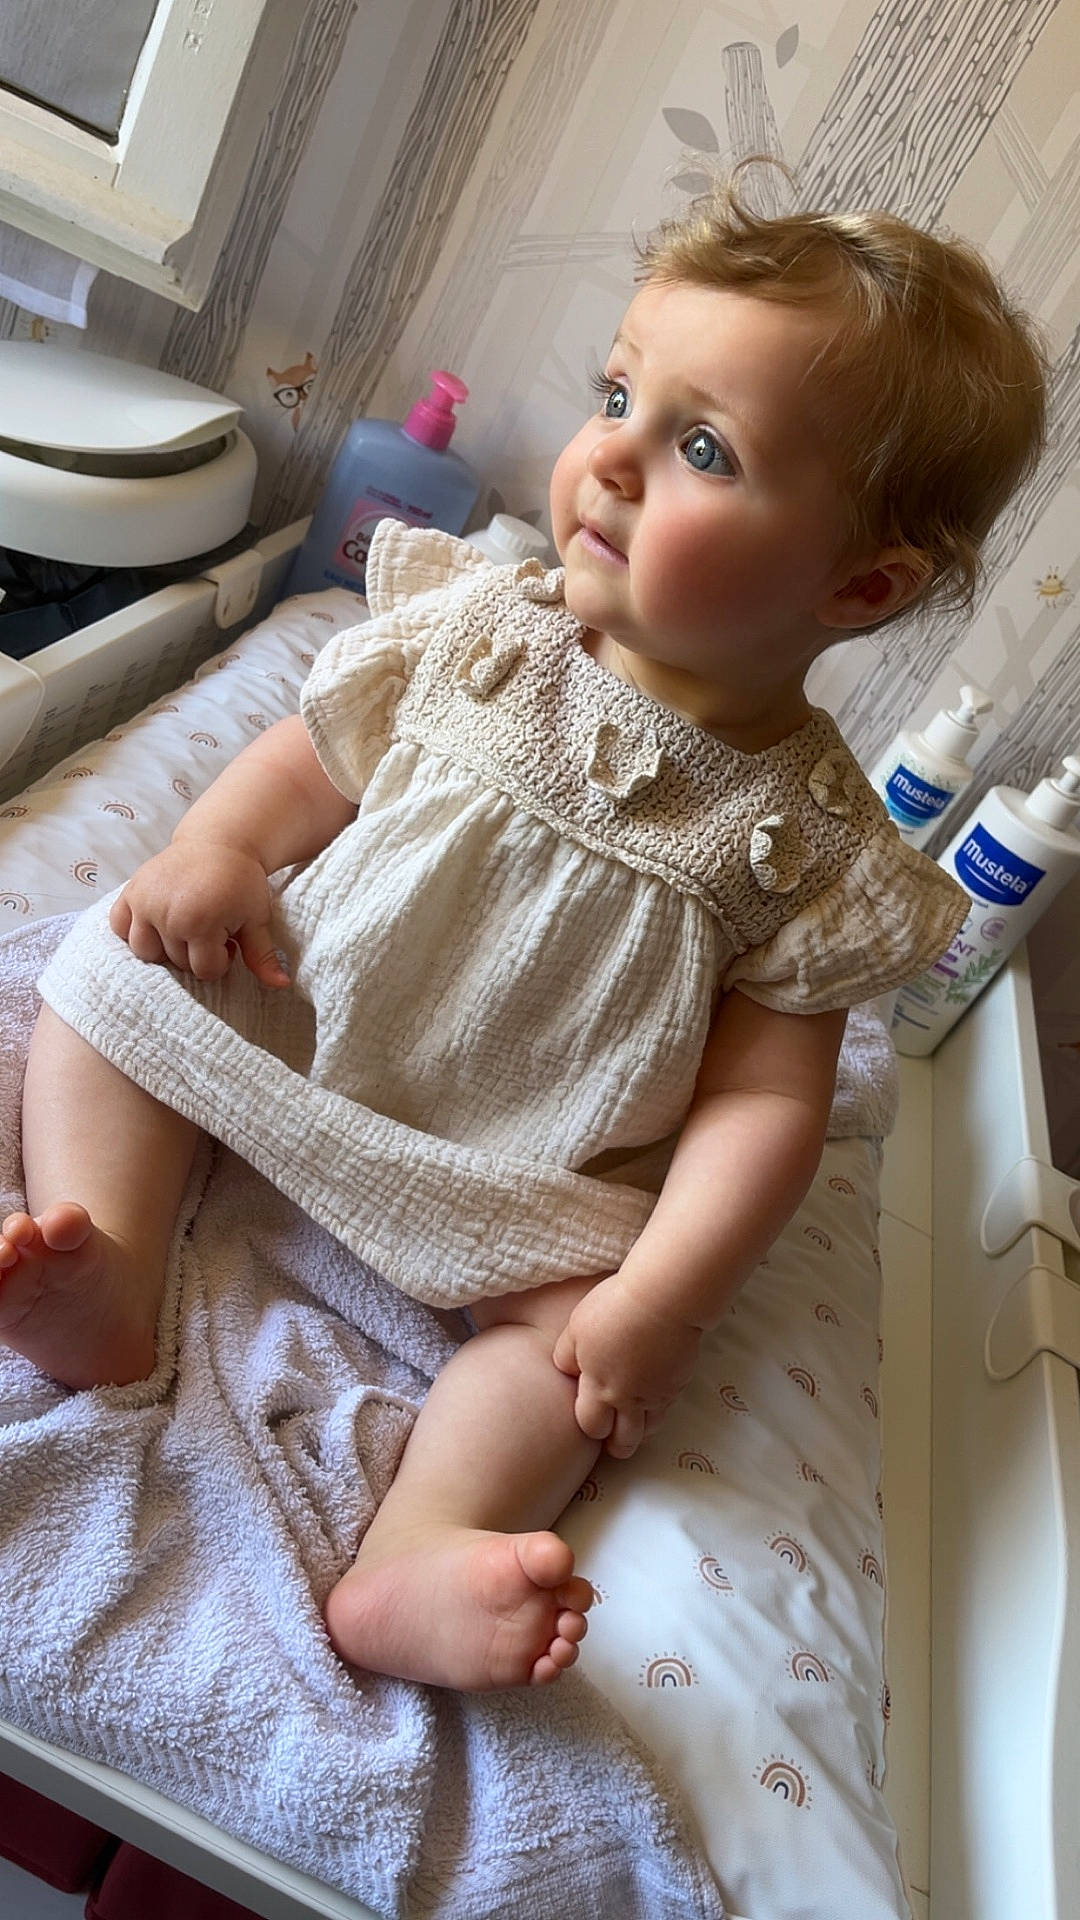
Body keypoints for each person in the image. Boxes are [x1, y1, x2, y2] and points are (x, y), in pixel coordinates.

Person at [0, 181, 1046, 1693]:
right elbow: (315, 758)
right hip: (312, 1014)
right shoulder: (485, 625)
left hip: (525, 1165)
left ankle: (417, 1546)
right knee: (108, 981)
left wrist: (656, 1301)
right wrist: (217, 854)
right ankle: (108, 1276)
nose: (608, 456)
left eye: (701, 447)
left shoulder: (806, 841)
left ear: (859, 585)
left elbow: (765, 1102)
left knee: (576, 1373)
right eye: (621, 394)